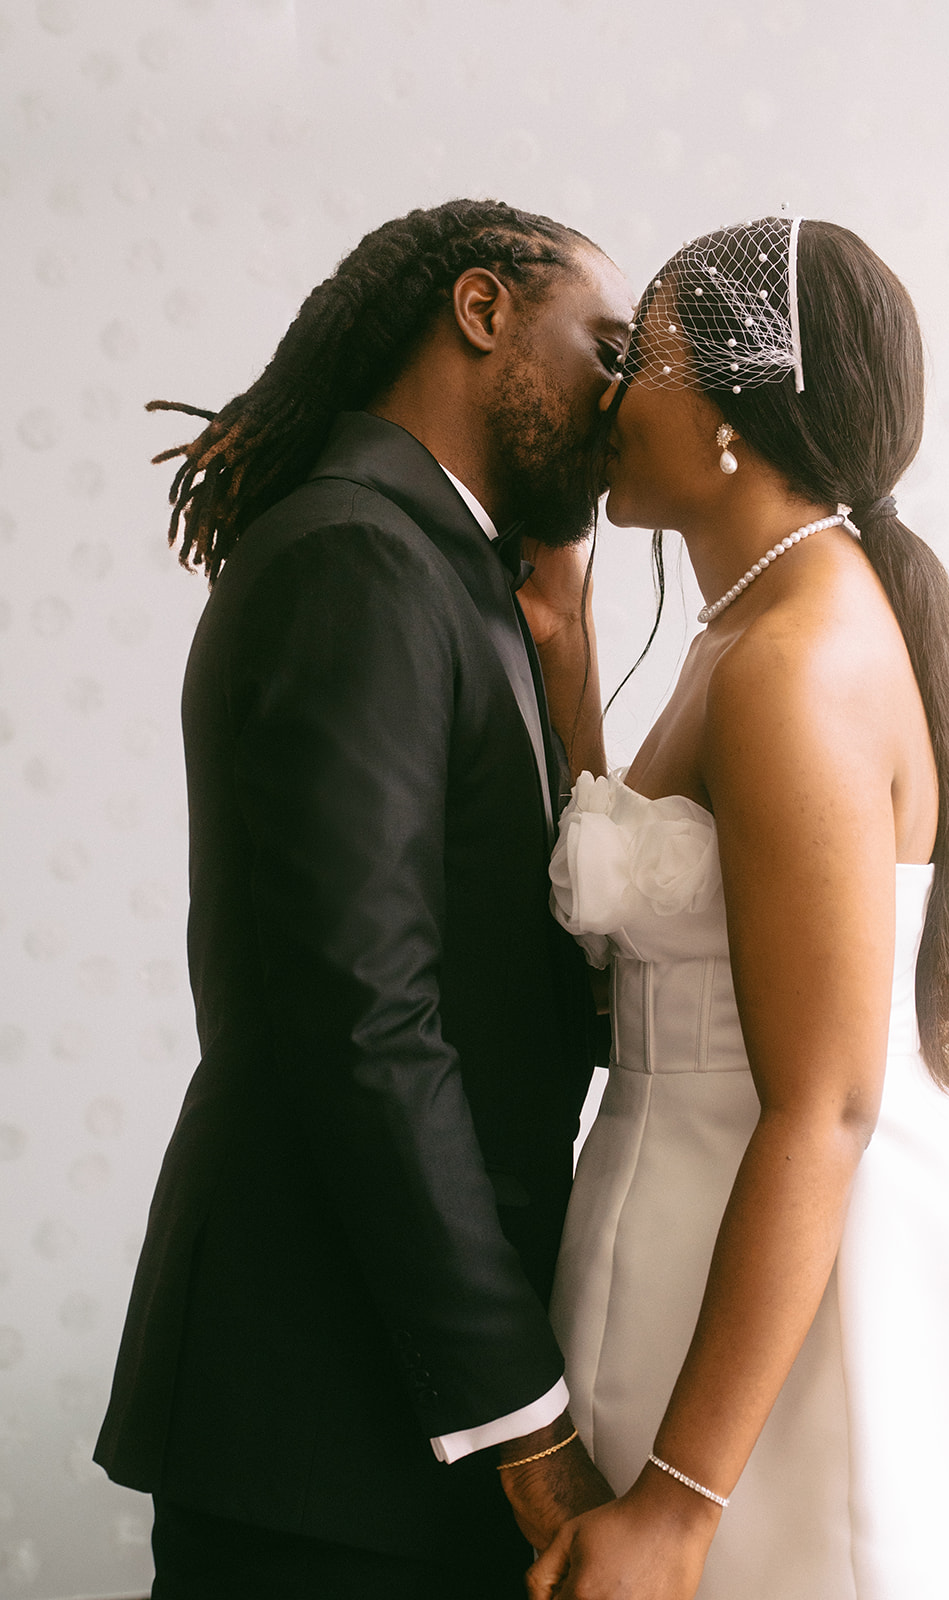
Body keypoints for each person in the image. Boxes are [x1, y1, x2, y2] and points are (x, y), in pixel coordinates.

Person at [535, 216, 949, 1599]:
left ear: (729, 417)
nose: (608, 396)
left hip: (827, 1324)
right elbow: (674, 921)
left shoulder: (798, 660)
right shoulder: (752, 623)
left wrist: (678, 1503)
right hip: (676, 1246)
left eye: (637, 361)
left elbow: (826, 1101)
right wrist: (567, 640)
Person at [93, 198, 634, 1598]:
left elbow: (529, 965)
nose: (623, 394)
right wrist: (523, 1415)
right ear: (482, 311)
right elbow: (362, 1016)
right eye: (607, 345)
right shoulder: (357, 556)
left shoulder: (454, 576)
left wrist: (563, 636)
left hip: (384, 1408)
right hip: (323, 1414)